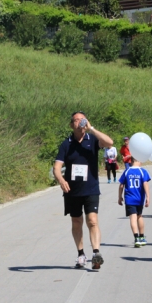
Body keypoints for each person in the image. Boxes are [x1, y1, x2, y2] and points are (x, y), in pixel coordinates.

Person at [54, 112, 114, 269]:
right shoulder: (66, 144)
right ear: (71, 124)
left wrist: (91, 129)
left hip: (91, 189)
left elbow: (109, 142)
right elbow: (57, 167)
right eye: (76, 120)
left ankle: (96, 254)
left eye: (82, 120)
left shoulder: (93, 140)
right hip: (72, 191)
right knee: (76, 222)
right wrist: (61, 180)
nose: (80, 122)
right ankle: (81, 254)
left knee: (92, 220)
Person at [118, 157, 151, 247]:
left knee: (133, 217)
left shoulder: (127, 171)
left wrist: (119, 197)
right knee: (139, 216)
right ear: (138, 161)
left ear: (131, 161)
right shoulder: (143, 171)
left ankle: (136, 238)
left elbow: (121, 185)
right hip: (139, 199)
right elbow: (145, 184)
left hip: (129, 199)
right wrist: (148, 197)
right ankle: (142, 237)